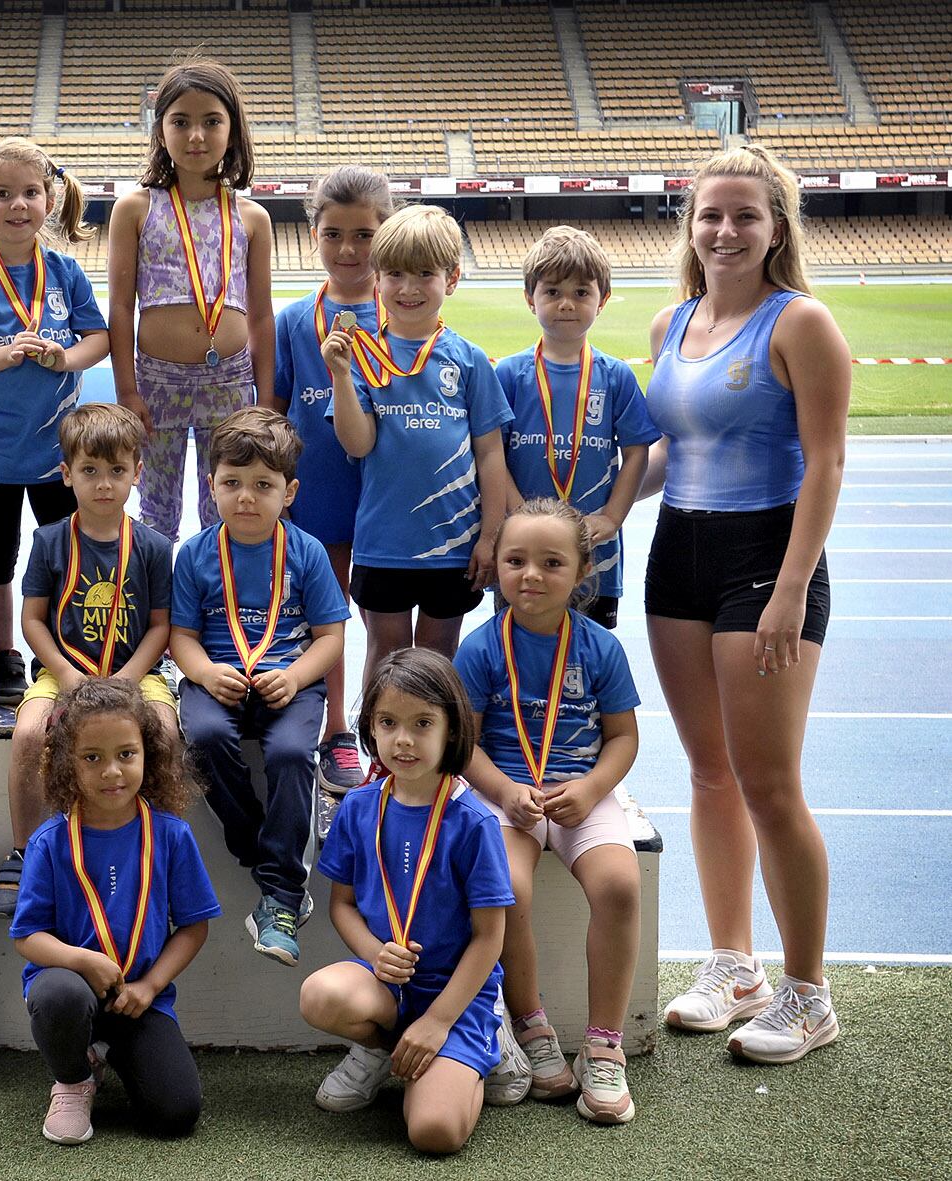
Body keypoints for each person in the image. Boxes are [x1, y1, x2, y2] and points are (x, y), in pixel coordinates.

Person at [644, 145, 849, 1064]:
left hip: (768, 558)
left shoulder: (798, 323)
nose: (725, 230)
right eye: (710, 215)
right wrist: (591, 511)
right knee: (708, 772)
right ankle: (736, 966)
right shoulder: (670, 323)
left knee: (769, 783)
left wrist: (794, 586)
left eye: (746, 215)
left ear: (777, 228)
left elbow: (828, 462)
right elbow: (663, 456)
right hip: (676, 553)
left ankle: (809, 994)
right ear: (690, 225)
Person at [455, 500, 642, 1123]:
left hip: (580, 792)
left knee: (619, 886)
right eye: (515, 561)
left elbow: (622, 738)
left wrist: (591, 788)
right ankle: (532, 1029)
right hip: (504, 793)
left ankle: (604, 1045)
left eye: (551, 562)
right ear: (496, 567)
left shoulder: (600, 648)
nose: (530, 575)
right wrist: (505, 792)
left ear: (583, 572)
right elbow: (465, 745)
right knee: (507, 889)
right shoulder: (480, 650)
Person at [299, 648, 512, 1155]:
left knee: (434, 1133)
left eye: (422, 723)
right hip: (386, 986)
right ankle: (384, 1051)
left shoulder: (474, 823)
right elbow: (342, 906)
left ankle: (482, 1045)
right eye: (388, 722)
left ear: (453, 731)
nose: (404, 740)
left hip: (455, 997)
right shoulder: (356, 806)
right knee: (319, 995)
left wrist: (438, 1022)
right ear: (370, 728)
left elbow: (490, 937)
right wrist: (374, 953)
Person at [0, 137, 109, 706]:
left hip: (62, 454)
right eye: (2, 193)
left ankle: (63, 648)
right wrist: (5, 354)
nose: (18, 205)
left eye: (31, 192)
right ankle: (6, 655)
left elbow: (99, 338)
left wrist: (65, 357)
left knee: (68, 553)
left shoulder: (64, 271)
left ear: (50, 198)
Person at [170, 407, 347, 966]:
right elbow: (181, 635)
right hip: (216, 681)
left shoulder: (308, 553)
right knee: (200, 737)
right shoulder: (196, 553)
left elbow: (330, 638)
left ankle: (281, 896)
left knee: (294, 753)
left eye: (263, 485)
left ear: (289, 491)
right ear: (211, 485)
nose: (246, 497)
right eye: (232, 483)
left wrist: (295, 676)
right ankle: (260, 850)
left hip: (288, 684)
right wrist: (202, 673)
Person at [11, 677, 220, 1144]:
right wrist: (81, 959)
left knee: (175, 1115)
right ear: (68, 764)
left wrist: (150, 985)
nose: (111, 771)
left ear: (147, 754)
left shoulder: (171, 835)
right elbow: (28, 936)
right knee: (60, 995)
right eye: (93, 758)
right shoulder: (51, 842)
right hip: (70, 986)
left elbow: (193, 927)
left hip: (138, 999)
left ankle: (108, 1051)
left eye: (126, 754)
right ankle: (73, 1078)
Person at [0, 403, 176, 917]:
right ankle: (25, 850)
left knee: (162, 732)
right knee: (29, 734)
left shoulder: (155, 547)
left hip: (136, 674)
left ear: (138, 473)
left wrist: (126, 680)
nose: (104, 484)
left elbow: (161, 626)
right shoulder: (49, 541)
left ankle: (153, 845)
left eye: (117, 471)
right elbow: (32, 621)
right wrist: (69, 674)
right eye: (90, 471)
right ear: (66, 474)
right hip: (62, 671)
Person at [327, 204, 513, 675]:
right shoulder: (365, 354)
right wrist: (341, 378)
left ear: (451, 279)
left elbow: (491, 455)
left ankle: (430, 749)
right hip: (383, 541)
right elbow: (358, 444)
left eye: (424, 274)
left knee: (436, 657)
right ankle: (378, 748)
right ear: (377, 279)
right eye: (395, 274)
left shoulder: (469, 359)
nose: (408, 288)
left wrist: (490, 537)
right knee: (385, 655)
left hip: (453, 543)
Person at [269, 164, 398, 796]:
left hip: (386, 497)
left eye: (365, 235)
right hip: (315, 495)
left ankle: (383, 733)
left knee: (385, 625)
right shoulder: (295, 320)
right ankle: (336, 734)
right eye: (333, 234)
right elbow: (275, 410)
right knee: (326, 618)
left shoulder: (403, 313)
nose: (348, 250)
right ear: (313, 233)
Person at [106, 58, 274, 542]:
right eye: (180, 121)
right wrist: (127, 392)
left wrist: (263, 400)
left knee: (226, 509)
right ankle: (159, 614)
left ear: (233, 130)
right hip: (156, 382)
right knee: (155, 510)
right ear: (160, 130)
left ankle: (217, 610)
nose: (195, 136)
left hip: (232, 380)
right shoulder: (136, 208)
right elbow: (120, 309)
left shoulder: (252, 217)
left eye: (211, 122)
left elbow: (261, 315)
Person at [494, 226, 659, 629]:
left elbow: (638, 451)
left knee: (589, 656)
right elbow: (492, 453)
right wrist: (518, 511)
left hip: (594, 552)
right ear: (530, 299)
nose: (566, 303)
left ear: (602, 300)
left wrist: (612, 518)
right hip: (523, 552)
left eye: (581, 292)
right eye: (552, 292)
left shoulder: (616, 376)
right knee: (516, 651)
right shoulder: (509, 374)